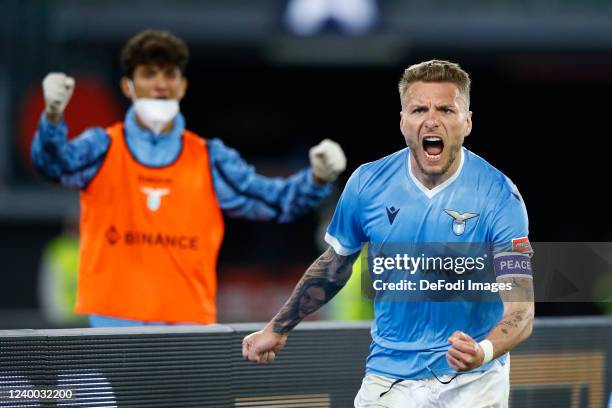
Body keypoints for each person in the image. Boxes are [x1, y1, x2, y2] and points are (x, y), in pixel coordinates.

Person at [243, 60, 535, 407]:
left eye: (445, 109)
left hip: (472, 381)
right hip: (388, 377)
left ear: (467, 122)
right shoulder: (367, 183)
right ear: (403, 121)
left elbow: (521, 310)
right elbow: (335, 265)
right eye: (418, 109)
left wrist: (483, 351)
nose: (431, 119)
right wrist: (277, 328)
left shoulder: (499, 194)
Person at [31, 29, 347, 328]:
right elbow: (52, 165)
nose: (160, 84)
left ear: (182, 86)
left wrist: (317, 179)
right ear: (128, 86)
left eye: (169, 74)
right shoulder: (101, 149)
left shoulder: (208, 158)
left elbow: (275, 201)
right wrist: (53, 119)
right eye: (148, 74)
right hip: (113, 328)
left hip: (188, 328)